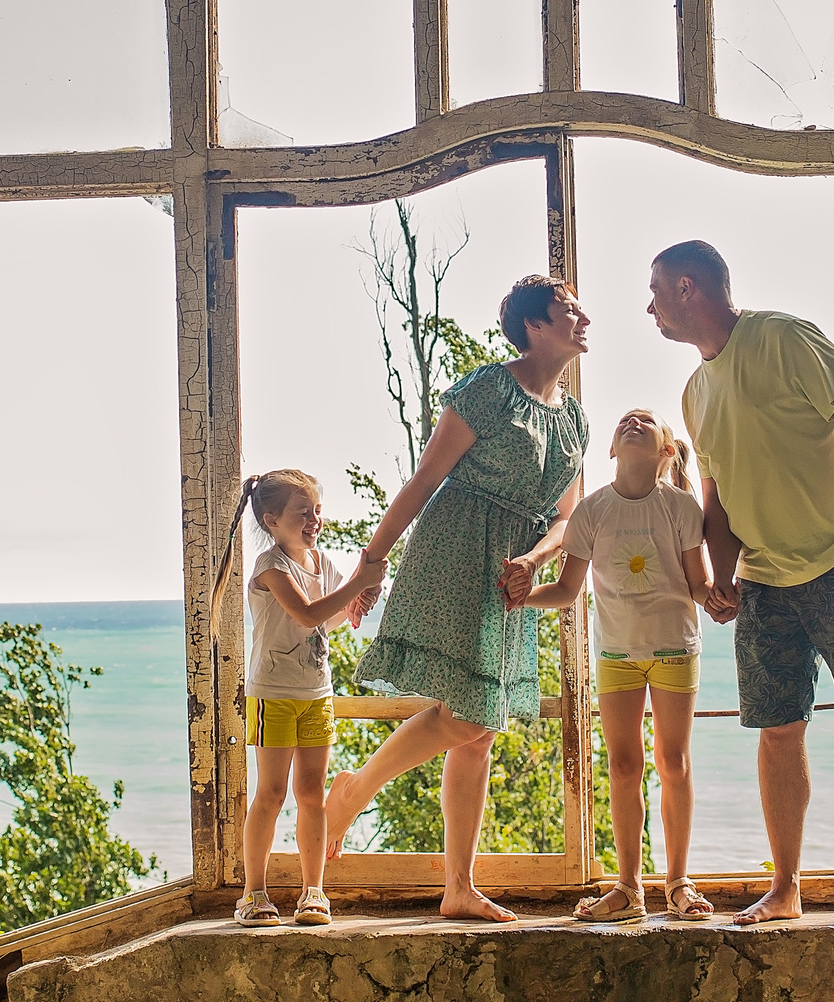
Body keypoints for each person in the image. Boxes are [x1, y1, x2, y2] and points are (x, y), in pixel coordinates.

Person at [648, 239, 834, 939]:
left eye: (655, 289)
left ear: (689, 287)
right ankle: (785, 888)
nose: (648, 304)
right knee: (777, 734)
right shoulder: (695, 390)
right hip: (765, 581)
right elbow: (720, 496)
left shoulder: (785, 336)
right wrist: (717, 577)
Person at [321, 275, 591, 922]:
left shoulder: (576, 417)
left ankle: (458, 886)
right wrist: (372, 561)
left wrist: (534, 558)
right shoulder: (489, 388)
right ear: (533, 324)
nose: (583, 315)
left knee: (478, 732)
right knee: (472, 716)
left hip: (511, 569)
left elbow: (569, 517)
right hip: (457, 547)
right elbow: (425, 478)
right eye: (567, 308)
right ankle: (354, 791)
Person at [515, 408, 719, 922]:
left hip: (675, 647)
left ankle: (678, 882)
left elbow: (698, 582)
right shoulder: (590, 511)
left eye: (646, 421)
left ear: (666, 451)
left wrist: (720, 597)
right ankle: (629, 889)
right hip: (615, 657)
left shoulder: (680, 507)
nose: (633, 421)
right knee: (624, 766)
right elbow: (566, 590)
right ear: (610, 449)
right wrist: (519, 597)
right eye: (626, 419)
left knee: (673, 762)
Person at [214, 469, 377, 927]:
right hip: (274, 696)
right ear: (271, 520)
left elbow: (334, 615)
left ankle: (313, 892)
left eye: (317, 512)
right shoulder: (270, 567)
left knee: (311, 794)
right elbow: (306, 615)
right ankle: (253, 893)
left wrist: (360, 599)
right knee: (271, 792)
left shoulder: (321, 563)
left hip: (316, 694)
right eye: (302, 513)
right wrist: (356, 583)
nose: (313, 521)